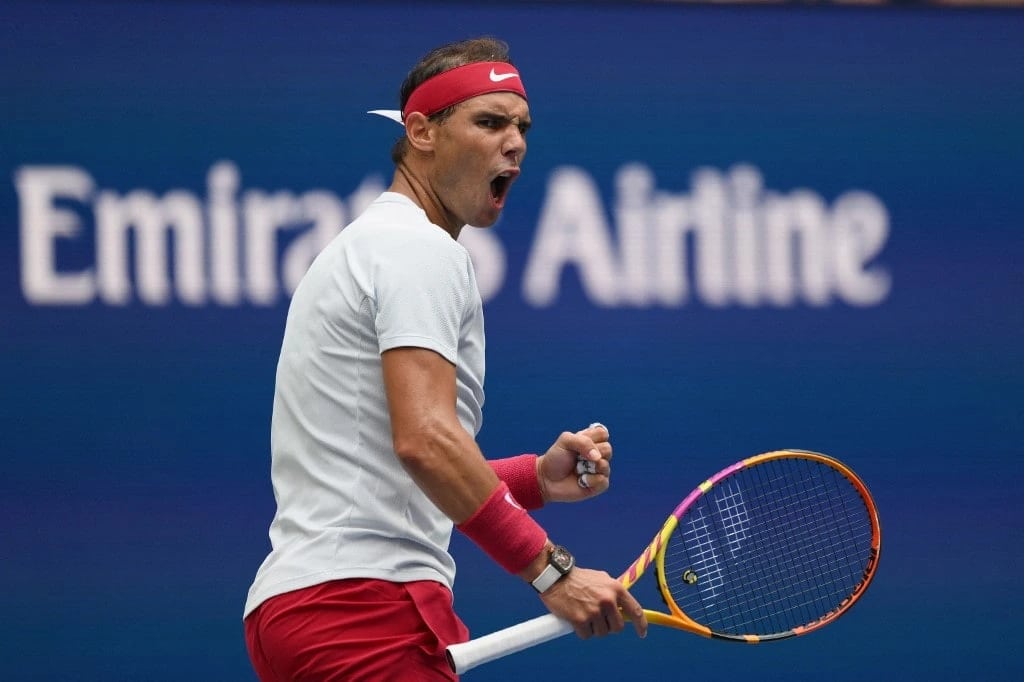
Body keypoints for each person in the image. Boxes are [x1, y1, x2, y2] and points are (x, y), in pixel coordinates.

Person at [243, 36, 647, 681]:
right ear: (421, 132)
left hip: (310, 610)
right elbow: (426, 442)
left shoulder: (371, 243)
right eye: (489, 122)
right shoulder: (417, 249)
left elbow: (381, 466)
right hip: (364, 611)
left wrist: (533, 480)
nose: (514, 144)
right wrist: (554, 573)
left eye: (521, 127)